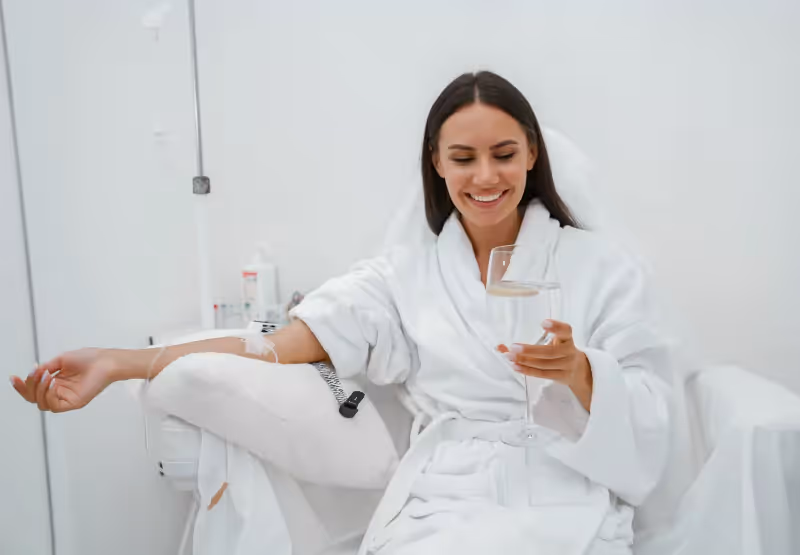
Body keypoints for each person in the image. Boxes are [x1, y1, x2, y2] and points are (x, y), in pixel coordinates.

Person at [11, 71, 671, 555]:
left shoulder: (602, 268)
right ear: (436, 164)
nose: (486, 177)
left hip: (564, 482)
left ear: (531, 153)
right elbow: (281, 344)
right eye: (463, 157)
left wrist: (582, 373)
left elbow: (648, 410)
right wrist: (123, 362)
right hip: (449, 493)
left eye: (503, 154)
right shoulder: (404, 276)